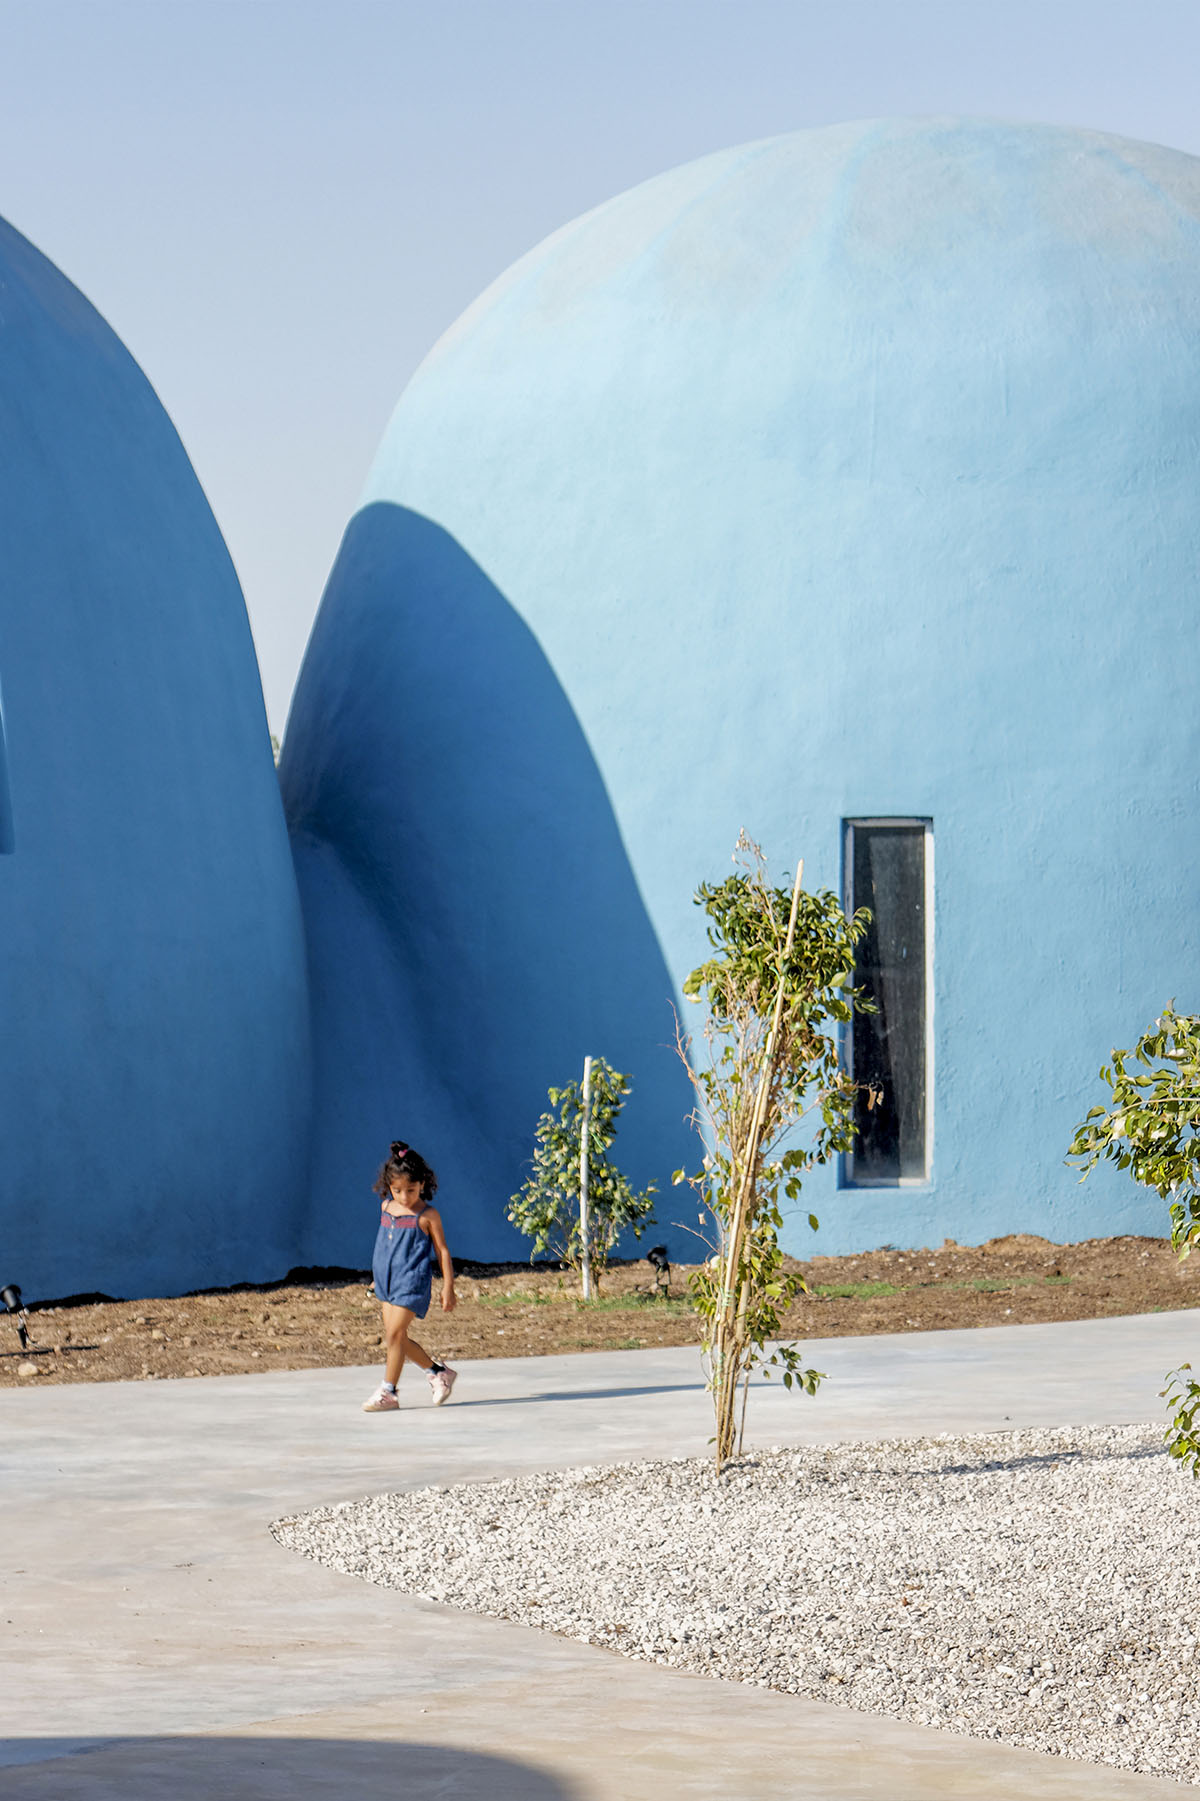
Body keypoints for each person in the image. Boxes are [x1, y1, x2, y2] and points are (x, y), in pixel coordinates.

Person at [362, 1141, 458, 1411]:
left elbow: (442, 1250)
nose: (404, 1197)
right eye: (398, 1190)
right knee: (397, 1338)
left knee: (395, 1334)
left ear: (422, 1184)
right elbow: (386, 1246)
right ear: (389, 1186)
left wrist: (448, 1286)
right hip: (387, 1282)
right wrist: (377, 1277)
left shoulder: (428, 1215)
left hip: (412, 1281)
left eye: (411, 1190)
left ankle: (388, 1392)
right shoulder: (386, 1208)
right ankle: (437, 1372)